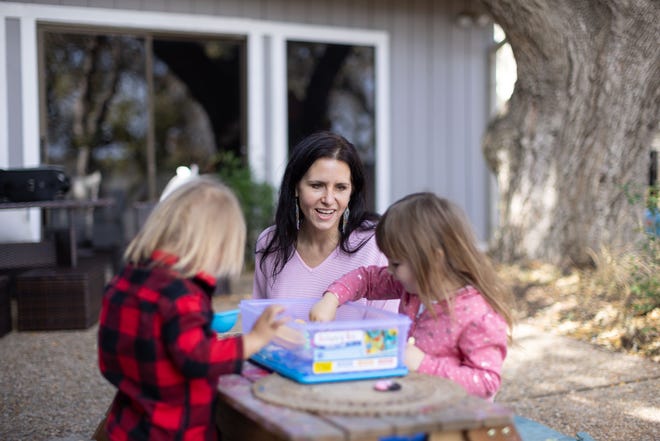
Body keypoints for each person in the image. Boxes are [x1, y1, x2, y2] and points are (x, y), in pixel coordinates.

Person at [98, 176, 284, 441]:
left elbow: (110, 358)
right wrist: (254, 340)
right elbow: (197, 358)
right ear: (212, 245)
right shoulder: (181, 295)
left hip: (127, 424)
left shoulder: (126, 279)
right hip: (175, 431)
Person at [310, 192, 515, 400]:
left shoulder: (479, 315)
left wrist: (423, 364)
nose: (389, 270)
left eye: (396, 263)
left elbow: (486, 382)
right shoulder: (414, 286)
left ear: (434, 259)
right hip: (417, 403)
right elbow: (367, 279)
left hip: (455, 419)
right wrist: (331, 299)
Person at [253, 131, 398, 312]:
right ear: (296, 187)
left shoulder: (375, 243)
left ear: (352, 192)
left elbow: (389, 334)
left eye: (340, 187)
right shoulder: (270, 243)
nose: (329, 199)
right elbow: (259, 327)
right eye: (317, 186)